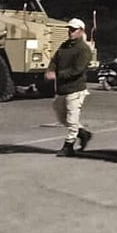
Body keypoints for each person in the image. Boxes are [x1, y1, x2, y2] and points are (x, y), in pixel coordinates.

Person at [46, 18, 93, 157]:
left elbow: (78, 70)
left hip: (76, 89)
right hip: (62, 89)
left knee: (72, 119)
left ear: (81, 31)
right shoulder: (65, 46)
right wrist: (50, 69)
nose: (70, 32)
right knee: (61, 116)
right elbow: (55, 59)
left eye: (74, 30)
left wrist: (58, 75)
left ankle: (69, 145)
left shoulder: (84, 49)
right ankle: (83, 133)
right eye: (70, 29)